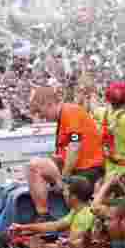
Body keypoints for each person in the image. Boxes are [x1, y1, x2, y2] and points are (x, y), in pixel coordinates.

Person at [27, 86, 104, 219]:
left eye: (40, 112)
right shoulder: (64, 115)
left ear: (48, 104)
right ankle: (43, 215)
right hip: (80, 168)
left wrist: (63, 178)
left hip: (87, 171)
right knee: (36, 165)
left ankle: (43, 216)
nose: (41, 117)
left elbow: (75, 146)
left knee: (35, 166)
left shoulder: (70, 112)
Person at [10, 178, 97, 248]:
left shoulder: (84, 216)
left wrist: (42, 246)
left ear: (73, 197)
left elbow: (72, 247)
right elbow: (54, 226)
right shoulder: (76, 211)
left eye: (65, 191)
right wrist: (22, 227)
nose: (63, 194)